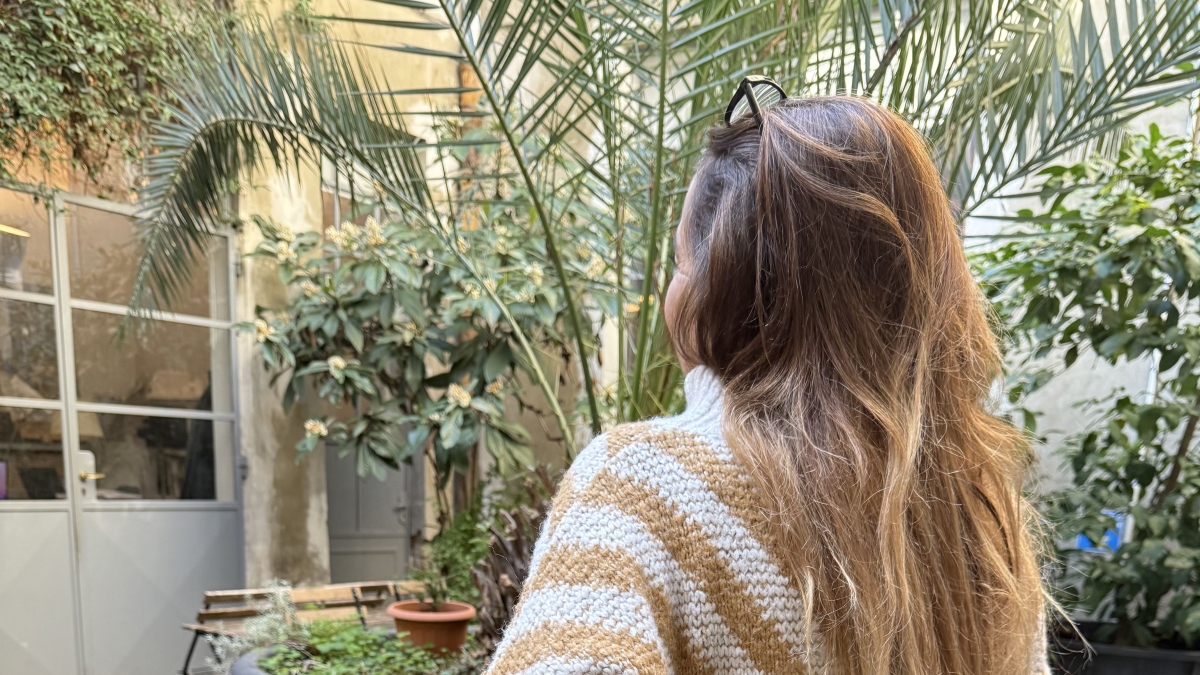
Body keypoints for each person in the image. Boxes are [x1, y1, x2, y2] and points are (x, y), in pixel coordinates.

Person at [484, 84, 1051, 675]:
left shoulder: (640, 488)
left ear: (724, 289)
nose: (668, 294)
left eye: (679, 264)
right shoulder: (981, 524)